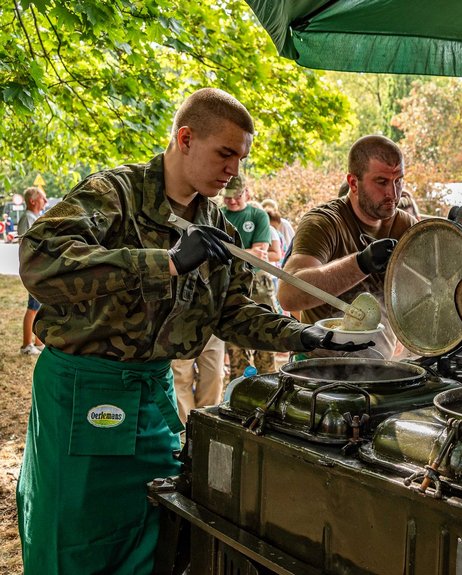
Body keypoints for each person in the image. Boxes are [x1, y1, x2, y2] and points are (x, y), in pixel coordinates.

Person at [16, 87, 368, 575]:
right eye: (225, 153)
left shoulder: (212, 221)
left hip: (154, 394)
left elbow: (232, 311)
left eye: (240, 158)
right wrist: (166, 262)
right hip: (83, 392)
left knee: (152, 528)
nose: (234, 170)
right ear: (185, 138)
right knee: (73, 533)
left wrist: (305, 337)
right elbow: (39, 259)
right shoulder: (114, 194)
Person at [279, 135, 416, 360]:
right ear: (353, 183)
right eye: (381, 182)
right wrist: (361, 263)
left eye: (399, 180)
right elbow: (288, 296)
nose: (392, 193)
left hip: (378, 366)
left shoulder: (406, 226)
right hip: (318, 366)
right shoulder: (323, 223)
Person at [221, 174, 280, 379]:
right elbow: (214, 255)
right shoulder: (218, 215)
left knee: (266, 353)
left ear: (247, 192)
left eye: (236, 196)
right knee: (237, 358)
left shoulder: (258, 215)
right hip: (230, 290)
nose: (232, 201)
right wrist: (246, 253)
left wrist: (228, 251)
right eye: (228, 197)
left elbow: (260, 254)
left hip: (260, 288)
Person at [17, 186, 47, 356]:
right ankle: (26, 345)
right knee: (33, 306)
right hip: (33, 269)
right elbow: (26, 245)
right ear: (33, 201)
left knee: (40, 305)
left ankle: (38, 341)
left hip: (40, 268)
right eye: (43, 198)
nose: (45, 201)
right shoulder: (27, 218)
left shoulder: (35, 217)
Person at [171, 334, 226, 424]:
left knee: (216, 375)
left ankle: (207, 422)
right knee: (180, 380)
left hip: (213, 329)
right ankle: (187, 426)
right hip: (184, 328)